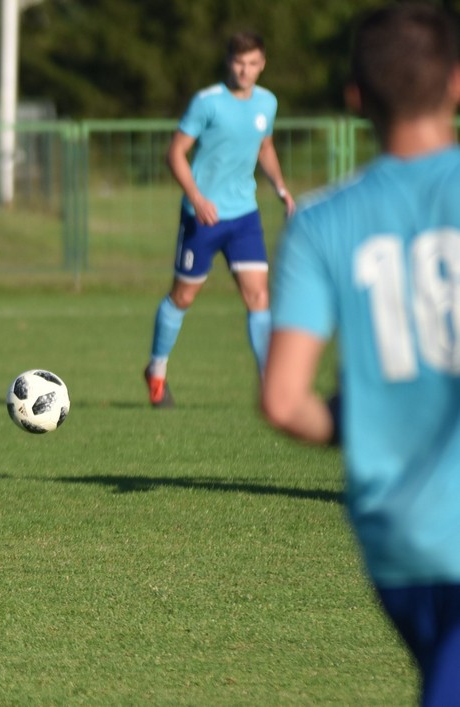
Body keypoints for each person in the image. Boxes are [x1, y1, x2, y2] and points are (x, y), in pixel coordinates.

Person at [262, 4, 460, 703]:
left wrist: (368, 413)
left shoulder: (319, 222)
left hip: (396, 540)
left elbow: (284, 402)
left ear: (355, 99)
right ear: (455, 84)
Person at [144, 31, 296, 408]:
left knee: (259, 296)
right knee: (183, 296)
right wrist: (196, 197)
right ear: (229, 63)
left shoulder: (268, 102)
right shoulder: (207, 102)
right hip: (202, 218)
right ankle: (157, 372)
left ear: (263, 65)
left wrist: (280, 186)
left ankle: (269, 387)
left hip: (243, 215)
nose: (245, 71)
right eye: (239, 63)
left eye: (253, 64)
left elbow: (265, 146)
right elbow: (175, 153)